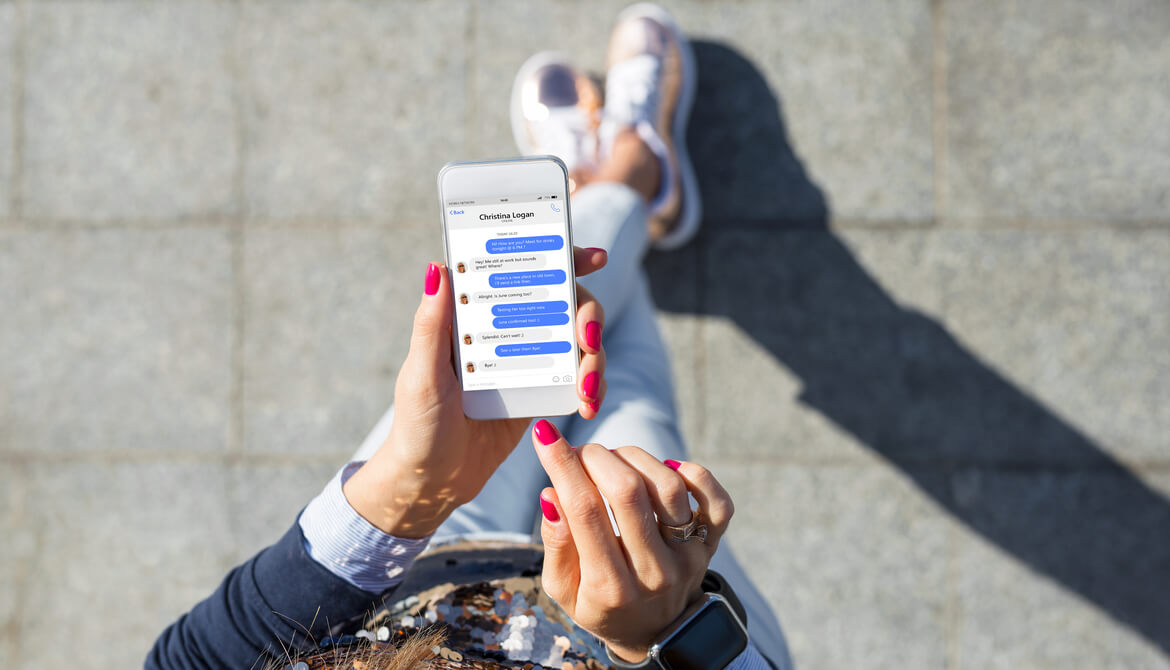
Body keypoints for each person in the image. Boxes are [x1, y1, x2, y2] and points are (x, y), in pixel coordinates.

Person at [147, 4, 791, 669]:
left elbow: (188, 662)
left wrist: (409, 485)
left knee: (580, 337)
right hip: (639, 612)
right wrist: (658, 636)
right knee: (637, 430)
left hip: (421, 566)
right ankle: (629, 174)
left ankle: (619, 180)